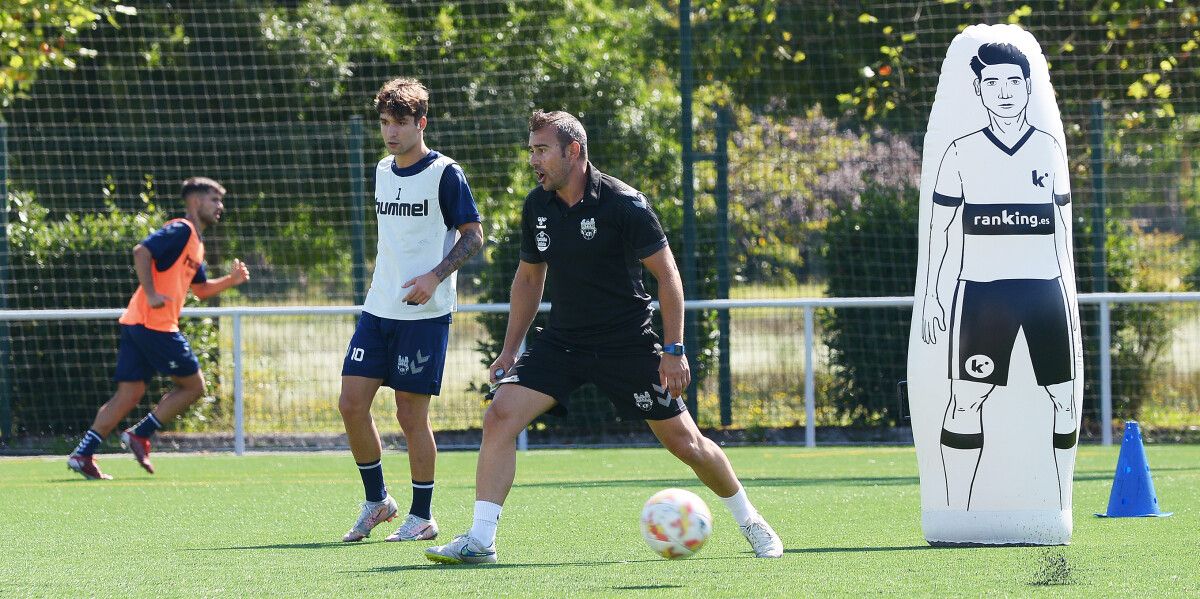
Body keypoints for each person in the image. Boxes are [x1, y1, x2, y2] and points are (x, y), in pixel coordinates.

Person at [425, 110, 783, 564]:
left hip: (626, 343)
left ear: (573, 151)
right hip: (564, 342)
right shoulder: (538, 205)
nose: (533, 160)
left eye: (541, 150)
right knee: (500, 417)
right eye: (531, 150)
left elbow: (668, 277)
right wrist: (511, 349)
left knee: (685, 443)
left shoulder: (624, 204)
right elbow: (530, 279)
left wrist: (673, 350)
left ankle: (751, 520)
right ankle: (480, 540)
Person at [920, 42, 1078, 510]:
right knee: (966, 400)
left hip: (1045, 292)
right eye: (992, 82)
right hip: (985, 297)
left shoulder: (1048, 148)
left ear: (1028, 88)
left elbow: (1064, 227)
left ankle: (1056, 503)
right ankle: (956, 510)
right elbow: (939, 227)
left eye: (1013, 81)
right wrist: (932, 294)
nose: (1004, 91)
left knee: (1065, 400)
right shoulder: (960, 152)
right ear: (978, 89)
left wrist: (1068, 293)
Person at [338, 77, 484, 543]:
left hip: (424, 316)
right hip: (379, 309)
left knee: (409, 416)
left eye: (399, 123)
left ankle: (422, 516)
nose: (390, 132)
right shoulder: (382, 169)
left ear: (421, 123)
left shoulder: (446, 173)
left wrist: (434, 277)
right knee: (350, 404)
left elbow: (473, 236)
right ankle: (378, 499)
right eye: (384, 122)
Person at [67, 177, 250, 480]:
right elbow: (142, 252)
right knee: (194, 386)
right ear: (195, 201)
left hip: (139, 323)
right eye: (214, 199)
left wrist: (230, 280)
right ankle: (141, 434)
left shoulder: (196, 243)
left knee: (129, 393)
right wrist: (151, 294)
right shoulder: (181, 230)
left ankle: (83, 453)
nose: (220, 206)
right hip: (155, 325)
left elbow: (201, 289)